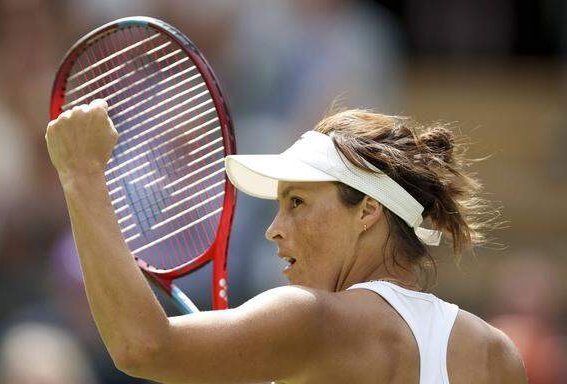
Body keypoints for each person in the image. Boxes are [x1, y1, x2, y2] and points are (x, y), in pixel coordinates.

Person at [45, 99, 527, 383]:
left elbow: (143, 347)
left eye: (296, 202)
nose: (273, 229)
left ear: (367, 210)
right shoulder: (495, 354)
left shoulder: (306, 316)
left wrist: (81, 174)